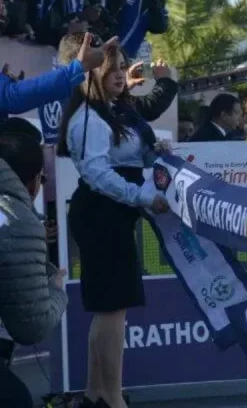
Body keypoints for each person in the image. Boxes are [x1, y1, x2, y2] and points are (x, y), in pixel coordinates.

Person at [56, 42, 170, 408]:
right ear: (92, 73)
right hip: (101, 215)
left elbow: (131, 157)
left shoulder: (114, 111)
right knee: (112, 311)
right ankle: (112, 397)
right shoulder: (88, 118)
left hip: (112, 214)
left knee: (110, 311)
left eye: (122, 66)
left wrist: (157, 155)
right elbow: (98, 174)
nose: (120, 74)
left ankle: (97, 394)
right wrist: (142, 196)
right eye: (112, 68)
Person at [0, 132, 68, 408]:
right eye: (43, 178)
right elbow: (32, 326)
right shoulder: (16, 221)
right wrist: (56, 290)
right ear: (32, 182)